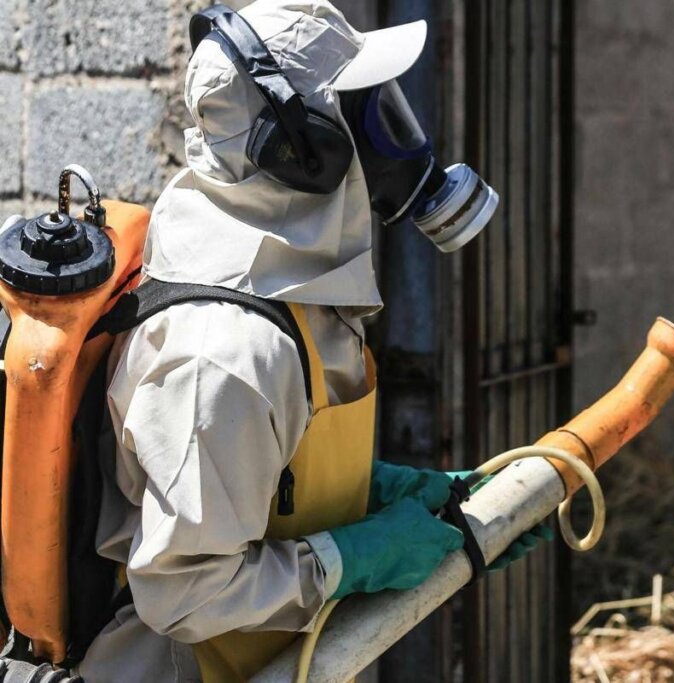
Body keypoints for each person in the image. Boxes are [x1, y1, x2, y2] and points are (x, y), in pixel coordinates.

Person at [78, 2, 547, 681]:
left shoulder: (288, 298)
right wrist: (358, 556)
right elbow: (183, 591)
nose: (395, 137)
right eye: (366, 110)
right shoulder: (222, 354)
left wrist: (405, 499)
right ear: (304, 150)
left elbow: (265, 475)